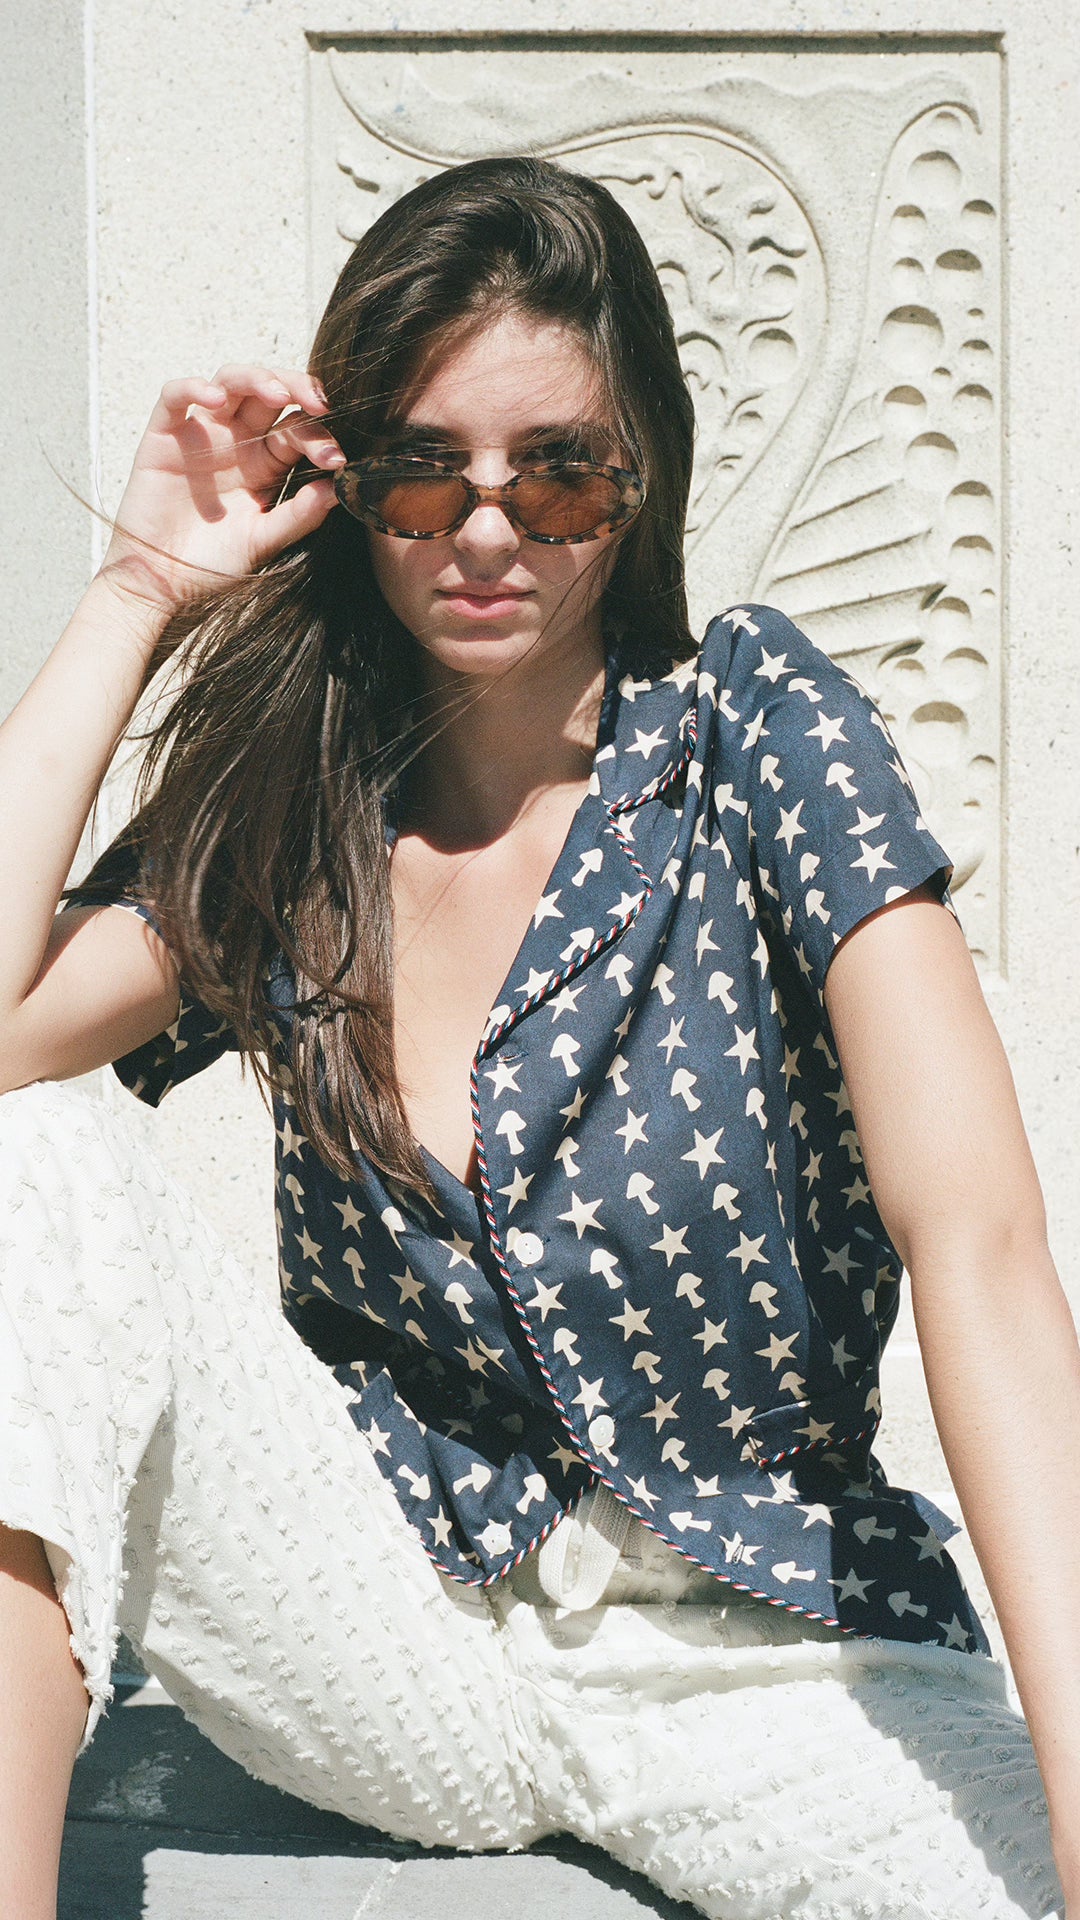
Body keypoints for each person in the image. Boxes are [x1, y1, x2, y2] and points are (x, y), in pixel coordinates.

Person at [0, 155, 1075, 1920]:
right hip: (401, 1628)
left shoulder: (756, 731)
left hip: (764, 1662)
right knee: (27, 1137)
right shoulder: (306, 796)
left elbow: (982, 1248)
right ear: (349, 486)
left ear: (633, 480)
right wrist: (132, 594)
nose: (486, 530)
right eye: (424, 472)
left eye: (556, 472)